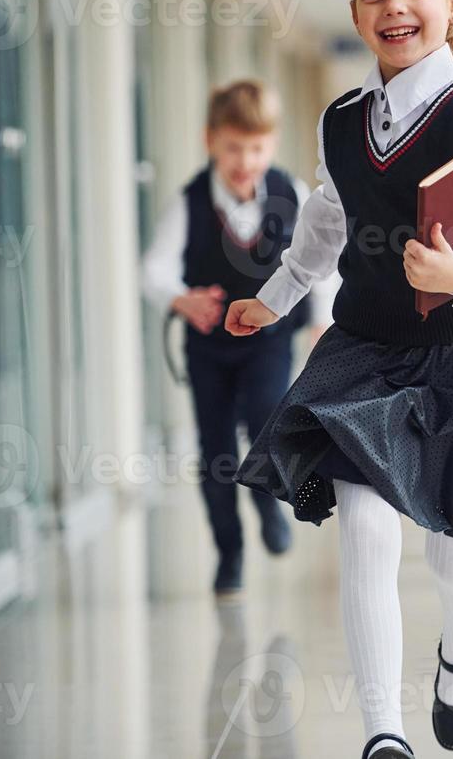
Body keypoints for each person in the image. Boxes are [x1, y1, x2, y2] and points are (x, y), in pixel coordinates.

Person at [223, 0, 453, 759]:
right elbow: (327, 218)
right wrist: (280, 293)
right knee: (365, 528)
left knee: (452, 556)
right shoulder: (341, 121)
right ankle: (382, 733)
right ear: (354, 5)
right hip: (365, 350)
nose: (394, 7)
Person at [139, 78, 339, 598]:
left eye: (255, 148)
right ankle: (229, 553)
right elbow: (154, 270)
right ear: (211, 142)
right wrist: (181, 298)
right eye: (233, 148)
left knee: (266, 423)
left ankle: (268, 503)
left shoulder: (291, 191)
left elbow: (320, 262)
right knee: (215, 453)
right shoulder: (189, 202)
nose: (244, 160)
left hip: (268, 340)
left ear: (270, 144)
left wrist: (320, 319)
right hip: (208, 348)